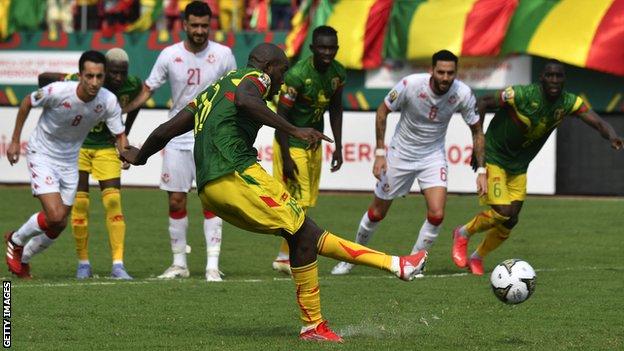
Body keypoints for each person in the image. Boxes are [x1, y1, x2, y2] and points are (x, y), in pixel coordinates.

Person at [120, 43, 428, 343]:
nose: (282, 79)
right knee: (307, 233)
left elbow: (167, 130)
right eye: (282, 71)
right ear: (268, 67)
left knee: (302, 237)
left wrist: (141, 156)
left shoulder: (211, 91)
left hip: (210, 189)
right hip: (237, 173)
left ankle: (317, 322)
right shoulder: (255, 79)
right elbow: (245, 99)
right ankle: (394, 266)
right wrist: (294, 130)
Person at [452, 59, 624, 275]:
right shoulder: (521, 95)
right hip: (495, 157)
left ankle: (477, 257)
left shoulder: (568, 102)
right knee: (503, 212)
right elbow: (483, 102)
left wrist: (612, 136)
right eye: (549, 75)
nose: (554, 80)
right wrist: (480, 145)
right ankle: (463, 233)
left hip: (519, 166)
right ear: (541, 78)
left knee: (511, 219)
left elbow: (598, 122)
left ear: (563, 79)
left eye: (558, 76)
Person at [331, 50, 487, 276]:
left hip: (432, 156)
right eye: (440, 72)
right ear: (431, 70)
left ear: (456, 73)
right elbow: (383, 111)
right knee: (377, 213)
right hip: (400, 154)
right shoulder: (411, 85)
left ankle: (415, 263)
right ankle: (351, 259)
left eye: (450, 73)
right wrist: (380, 153)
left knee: (437, 214)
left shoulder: (462, 94)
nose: (445, 77)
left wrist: (481, 169)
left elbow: (477, 130)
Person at [122, 1, 237, 281]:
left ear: (210, 25)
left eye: (204, 26)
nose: (199, 31)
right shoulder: (168, 55)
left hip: (210, 138)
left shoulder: (223, 55)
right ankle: (179, 264)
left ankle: (212, 265)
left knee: (212, 200)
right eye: (194, 25)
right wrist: (121, 120)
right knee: (175, 200)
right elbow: (147, 90)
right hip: (176, 137)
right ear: (184, 25)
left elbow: (234, 94)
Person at [4, 50, 128, 279]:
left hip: (70, 160)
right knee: (54, 215)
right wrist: (14, 141)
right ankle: (16, 240)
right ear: (80, 75)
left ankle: (24, 259)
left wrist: (124, 153)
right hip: (42, 154)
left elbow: (119, 135)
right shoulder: (58, 91)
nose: (94, 82)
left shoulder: (108, 101)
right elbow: (27, 102)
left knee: (59, 224)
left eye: (99, 77)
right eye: (89, 76)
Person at [38, 48, 143, 280]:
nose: (118, 77)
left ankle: (118, 264)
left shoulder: (132, 84)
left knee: (114, 200)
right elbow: (44, 78)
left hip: (106, 148)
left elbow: (137, 102)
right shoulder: (83, 80)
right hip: (78, 147)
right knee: (81, 205)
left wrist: (124, 141)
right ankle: (83, 263)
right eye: (113, 72)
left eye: (121, 73)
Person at [271, 25, 345, 275]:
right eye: (322, 47)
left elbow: (336, 109)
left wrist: (338, 146)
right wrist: (287, 156)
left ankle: (283, 256)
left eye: (331, 47)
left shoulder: (338, 73)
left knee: (306, 203)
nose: (327, 52)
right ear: (312, 48)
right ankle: (287, 257)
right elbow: (281, 116)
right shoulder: (297, 75)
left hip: (314, 143)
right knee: (298, 202)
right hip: (291, 143)